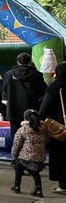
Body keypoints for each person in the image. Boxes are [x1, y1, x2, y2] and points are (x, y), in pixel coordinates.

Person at [3, 52, 47, 136]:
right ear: (30, 62)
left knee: (16, 136)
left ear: (17, 62)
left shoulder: (8, 75)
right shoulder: (37, 75)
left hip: (13, 110)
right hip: (31, 111)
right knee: (32, 135)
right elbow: (43, 92)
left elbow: (4, 91)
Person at [38, 62, 66, 193]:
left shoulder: (55, 86)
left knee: (60, 156)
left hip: (60, 128)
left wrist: (39, 120)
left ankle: (63, 184)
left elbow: (45, 107)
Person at [10, 109, 47, 198]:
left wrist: (14, 156)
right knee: (35, 172)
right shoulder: (42, 129)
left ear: (25, 118)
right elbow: (46, 141)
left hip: (25, 157)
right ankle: (38, 189)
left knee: (18, 167)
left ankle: (17, 186)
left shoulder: (22, 130)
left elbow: (16, 144)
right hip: (39, 156)